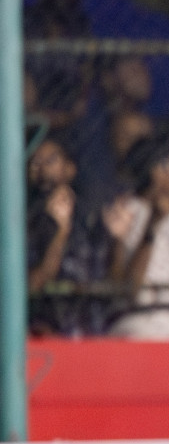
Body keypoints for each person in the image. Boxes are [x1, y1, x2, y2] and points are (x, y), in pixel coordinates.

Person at [106, 134, 169, 340]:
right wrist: (153, 224)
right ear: (158, 171)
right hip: (137, 337)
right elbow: (126, 290)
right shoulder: (126, 212)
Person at [25, 136, 109, 335]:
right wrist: (61, 232)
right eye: (35, 162)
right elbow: (36, 281)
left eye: (51, 160)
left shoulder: (90, 216)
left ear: (70, 168)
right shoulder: (27, 219)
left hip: (90, 322)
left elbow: (106, 274)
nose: (42, 168)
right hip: (46, 323)